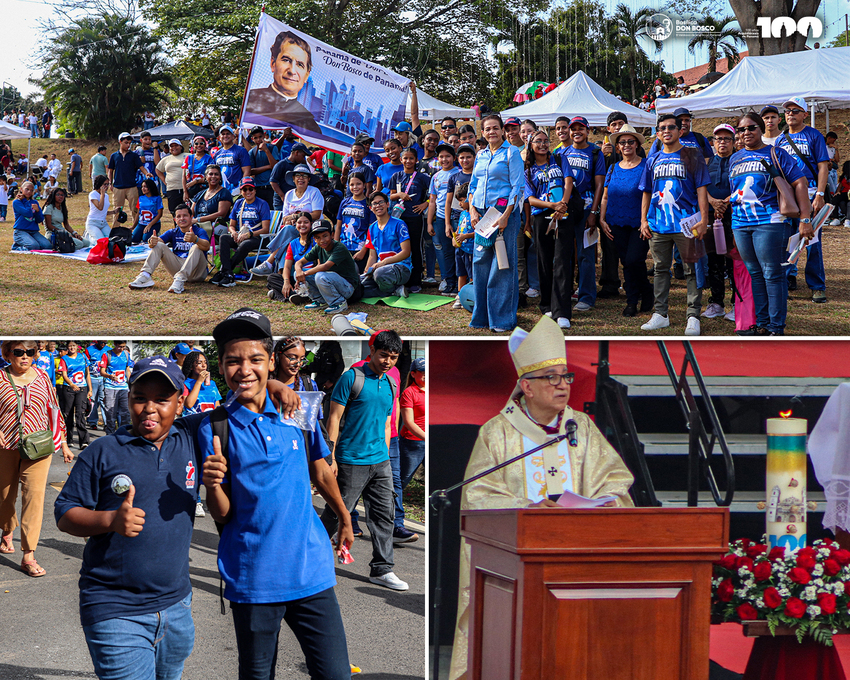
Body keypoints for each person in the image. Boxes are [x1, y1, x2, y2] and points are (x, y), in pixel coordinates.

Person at [447, 316, 635, 680]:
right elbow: (477, 495)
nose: (563, 385)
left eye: (566, 377)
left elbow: (614, 478)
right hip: (517, 565)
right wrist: (527, 510)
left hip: (576, 557)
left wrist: (607, 500)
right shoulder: (497, 432)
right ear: (526, 387)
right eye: (552, 378)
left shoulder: (580, 426)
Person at [200, 308, 352, 680]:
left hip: (310, 570)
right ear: (221, 367)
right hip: (253, 576)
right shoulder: (214, 425)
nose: (245, 369)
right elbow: (221, 513)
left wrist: (345, 517)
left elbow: (320, 469)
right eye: (233, 361)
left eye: (255, 359)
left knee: (336, 674)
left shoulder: (298, 409)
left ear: (271, 361)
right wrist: (212, 483)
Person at [54, 356, 201, 680]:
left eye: (162, 399)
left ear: (180, 403)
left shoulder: (191, 438)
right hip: (115, 610)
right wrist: (110, 521)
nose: (150, 408)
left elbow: (242, 404)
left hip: (177, 607)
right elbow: (65, 513)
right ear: (129, 398)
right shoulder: (103, 451)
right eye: (140, 398)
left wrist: (277, 384)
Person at [320, 329, 409, 589]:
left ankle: (382, 569)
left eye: (393, 357)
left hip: (380, 461)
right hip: (349, 459)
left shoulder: (392, 381)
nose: (388, 361)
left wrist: (386, 455)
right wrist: (331, 456)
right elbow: (334, 418)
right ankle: (309, 553)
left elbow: (386, 422)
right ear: (371, 351)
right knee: (337, 512)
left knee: (384, 516)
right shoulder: (352, 378)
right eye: (383, 355)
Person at [729, 112, 812, 335]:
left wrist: (805, 218)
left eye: (751, 128)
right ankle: (762, 324)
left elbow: (800, 182)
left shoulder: (775, 153)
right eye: (742, 129)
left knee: (772, 274)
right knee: (755, 273)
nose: (746, 132)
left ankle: (776, 327)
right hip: (740, 223)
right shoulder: (735, 158)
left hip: (771, 221)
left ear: (760, 129)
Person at [0, 340, 74, 577]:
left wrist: (62, 443)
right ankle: (7, 529)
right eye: (19, 352)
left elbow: (54, 410)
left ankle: (28, 554)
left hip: (39, 447)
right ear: (7, 354)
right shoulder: (0, 378)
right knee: (5, 497)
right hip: (6, 447)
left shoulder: (43, 377)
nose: (25, 356)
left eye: (30, 352)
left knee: (34, 497)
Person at [639, 113, 710, 336]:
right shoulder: (653, 159)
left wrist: (704, 218)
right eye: (662, 128)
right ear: (658, 134)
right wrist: (643, 220)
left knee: (691, 270)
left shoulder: (693, 155)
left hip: (686, 224)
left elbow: (701, 189)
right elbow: (647, 191)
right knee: (660, 269)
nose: (667, 131)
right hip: (658, 224)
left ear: (680, 130)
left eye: (671, 127)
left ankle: (693, 315)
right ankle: (660, 314)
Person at [468, 114, 524, 333]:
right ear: (482, 133)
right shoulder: (480, 155)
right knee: (480, 262)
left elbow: (517, 186)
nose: (491, 132)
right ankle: (481, 317)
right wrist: (472, 210)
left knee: (502, 265)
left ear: (502, 131)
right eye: (487, 129)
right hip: (482, 215)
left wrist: (506, 215)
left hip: (503, 214)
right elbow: (473, 186)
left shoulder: (512, 153)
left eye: (495, 128)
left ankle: (501, 320)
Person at [776, 96, 830, 303]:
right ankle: (789, 278)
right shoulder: (781, 139)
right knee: (788, 239)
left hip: (810, 194)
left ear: (805, 114)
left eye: (795, 110)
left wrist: (820, 194)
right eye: (788, 110)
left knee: (812, 242)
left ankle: (817, 285)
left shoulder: (814, 135)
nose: (790, 114)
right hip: (788, 198)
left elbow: (823, 166)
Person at [524, 130, 576, 329]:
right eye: (538, 141)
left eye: (546, 141)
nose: (543, 144)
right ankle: (546, 304)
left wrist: (562, 204)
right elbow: (530, 198)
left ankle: (562, 311)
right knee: (544, 262)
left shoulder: (560, 159)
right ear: (531, 145)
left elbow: (568, 182)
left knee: (563, 261)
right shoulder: (527, 170)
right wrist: (552, 206)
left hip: (563, 215)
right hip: (541, 217)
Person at [599, 124, 652, 318]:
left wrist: (645, 219)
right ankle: (633, 299)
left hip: (639, 223)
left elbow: (650, 194)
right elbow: (605, 197)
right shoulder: (612, 168)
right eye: (623, 142)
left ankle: (644, 291)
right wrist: (602, 219)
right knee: (625, 262)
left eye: (631, 141)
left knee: (633, 260)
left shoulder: (646, 166)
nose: (627, 145)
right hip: (615, 222)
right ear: (618, 147)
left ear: (637, 144)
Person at [556, 116, 607, 312]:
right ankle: (566, 291)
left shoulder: (595, 152)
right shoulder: (561, 152)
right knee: (565, 252)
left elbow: (599, 185)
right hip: (566, 208)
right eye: (573, 128)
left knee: (586, 254)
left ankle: (586, 296)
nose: (576, 131)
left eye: (581, 128)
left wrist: (593, 212)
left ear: (587, 131)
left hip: (586, 207)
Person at [244, 30, 322, 133]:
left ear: (307, 74)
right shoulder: (249, 101)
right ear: (273, 63)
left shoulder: (309, 123)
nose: (292, 71)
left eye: (300, 65)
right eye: (286, 60)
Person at [130, 203, 211, 294]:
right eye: (179, 216)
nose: (182, 218)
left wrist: (196, 240)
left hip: (197, 272)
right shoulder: (173, 232)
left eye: (185, 216)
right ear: (175, 220)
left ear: (191, 217)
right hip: (179, 267)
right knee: (159, 245)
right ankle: (145, 275)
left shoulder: (199, 231)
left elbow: (207, 246)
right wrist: (151, 241)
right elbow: (158, 241)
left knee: (197, 247)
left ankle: (180, 279)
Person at [700, 123, 736, 322]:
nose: (723, 142)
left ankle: (736, 303)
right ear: (713, 142)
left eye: (727, 139)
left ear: (733, 141)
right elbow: (700, 187)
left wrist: (727, 201)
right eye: (719, 139)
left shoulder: (739, 160)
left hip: (734, 216)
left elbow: (744, 183)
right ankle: (716, 302)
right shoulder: (707, 163)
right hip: (712, 217)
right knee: (714, 261)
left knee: (734, 261)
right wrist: (713, 201)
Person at [212, 177, 271, 288]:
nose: (248, 192)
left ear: (255, 190)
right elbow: (232, 225)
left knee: (245, 244)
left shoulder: (262, 204)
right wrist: (233, 232)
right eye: (245, 190)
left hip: (258, 238)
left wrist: (250, 234)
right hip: (240, 235)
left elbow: (265, 229)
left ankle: (225, 272)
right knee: (224, 238)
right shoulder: (238, 203)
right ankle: (228, 273)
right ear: (241, 191)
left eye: (251, 189)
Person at [296, 220, 361, 314]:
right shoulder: (318, 248)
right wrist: (299, 272)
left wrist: (304, 274)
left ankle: (339, 303)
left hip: (348, 288)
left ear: (332, 235)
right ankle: (321, 301)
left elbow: (326, 266)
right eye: (318, 237)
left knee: (320, 276)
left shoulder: (339, 247)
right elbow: (299, 262)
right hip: (332, 282)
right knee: (296, 273)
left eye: (325, 236)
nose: (322, 240)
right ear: (314, 239)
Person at [389, 148, 430, 289]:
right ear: (401, 160)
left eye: (411, 158)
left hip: (414, 218)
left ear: (416, 160)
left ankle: (416, 280)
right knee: (399, 248)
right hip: (399, 219)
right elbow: (391, 195)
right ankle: (402, 278)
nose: (408, 161)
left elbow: (434, 194)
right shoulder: (396, 176)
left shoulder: (422, 177)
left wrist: (425, 204)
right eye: (405, 158)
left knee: (415, 248)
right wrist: (399, 194)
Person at [361, 192, 412, 298]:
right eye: (375, 204)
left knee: (380, 274)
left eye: (381, 202)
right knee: (359, 287)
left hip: (401, 267)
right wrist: (367, 271)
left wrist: (383, 263)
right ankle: (393, 291)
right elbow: (372, 256)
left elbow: (406, 252)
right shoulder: (372, 228)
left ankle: (391, 290)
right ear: (371, 208)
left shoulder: (399, 224)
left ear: (388, 204)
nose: (378, 206)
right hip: (378, 269)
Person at [427, 142, 460, 297]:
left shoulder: (459, 173)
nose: (444, 159)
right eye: (441, 156)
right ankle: (450, 281)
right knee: (446, 251)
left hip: (458, 218)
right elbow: (432, 201)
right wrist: (429, 222)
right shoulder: (436, 177)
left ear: (454, 157)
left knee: (458, 251)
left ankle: (461, 282)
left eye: (448, 156)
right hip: (440, 218)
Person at [397, 357, 425, 534]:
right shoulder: (409, 392)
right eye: (423, 373)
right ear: (413, 373)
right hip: (412, 443)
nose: (427, 376)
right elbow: (408, 422)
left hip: (431, 441)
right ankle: (395, 521)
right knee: (400, 482)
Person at [108, 132, 151, 229]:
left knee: (135, 209)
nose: (128, 145)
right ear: (120, 142)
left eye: (130, 143)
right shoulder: (114, 156)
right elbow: (110, 171)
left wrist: (146, 173)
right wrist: (110, 183)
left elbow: (141, 166)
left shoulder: (134, 155)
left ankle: (136, 229)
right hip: (118, 187)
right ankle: (115, 230)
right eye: (126, 142)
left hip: (132, 186)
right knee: (117, 210)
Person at [333, 174, 374, 273]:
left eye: (358, 184)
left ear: (364, 185)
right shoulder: (344, 202)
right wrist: (336, 246)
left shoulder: (369, 204)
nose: (355, 187)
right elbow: (338, 226)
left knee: (358, 279)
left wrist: (363, 251)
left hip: (360, 249)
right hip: (343, 248)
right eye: (352, 184)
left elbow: (371, 230)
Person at [57, 341, 92, 450]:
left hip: (82, 388)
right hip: (69, 388)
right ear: (67, 348)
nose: (72, 348)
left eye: (73, 346)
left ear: (77, 347)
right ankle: (69, 439)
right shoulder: (64, 359)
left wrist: (90, 389)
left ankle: (84, 441)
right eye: (70, 346)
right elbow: (64, 375)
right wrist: (71, 384)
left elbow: (87, 374)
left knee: (80, 414)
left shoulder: (83, 357)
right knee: (68, 414)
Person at [99, 341, 134, 436]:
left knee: (125, 413)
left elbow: (127, 369)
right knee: (110, 413)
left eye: (123, 346)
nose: (121, 349)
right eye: (119, 346)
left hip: (123, 387)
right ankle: (110, 434)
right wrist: (109, 376)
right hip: (110, 387)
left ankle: (124, 434)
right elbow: (102, 372)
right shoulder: (107, 355)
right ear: (115, 344)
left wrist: (130, 383)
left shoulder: (126, 354)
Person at [190, 164, 233, 236]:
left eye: (216, 174)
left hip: (214, 227)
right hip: (197, 224)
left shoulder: (224, 193)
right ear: (206, 177)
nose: (213, 176)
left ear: (220, 177)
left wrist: (199, 219)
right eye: (210, 174)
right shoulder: (200, 194)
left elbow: (221, 214)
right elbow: (191, 213)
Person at [246, 126, 280, 207]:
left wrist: (266, 151)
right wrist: (268, 166)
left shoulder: (272, 148)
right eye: (256, 138)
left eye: (260, 137)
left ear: (264, 136)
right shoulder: (252, 152)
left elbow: (275, 166)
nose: (258, 140)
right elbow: (251, 171)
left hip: (272, 187)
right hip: (258, 187)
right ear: (252, 139)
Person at [269, 141, 310, 210]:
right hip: (281, 203)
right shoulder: (281, 165)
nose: (304, 158)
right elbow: (273, 182)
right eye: (303, 156)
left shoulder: (301, 165)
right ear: (296, 153)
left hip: (296, 201)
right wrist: (283, 196)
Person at [12, 181, 52, 251]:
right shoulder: (17, 202)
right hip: (21, 231)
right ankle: (16, 247)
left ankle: (27, 241)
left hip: (33, 231)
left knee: (47, 246)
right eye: (27, 189)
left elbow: (40, 219)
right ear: (21, 189)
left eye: (31, 190)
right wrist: (25, 200)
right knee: (34, 246)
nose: (29, 192)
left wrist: (37, 211)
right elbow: (28, 213)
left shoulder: (35, 202)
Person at [213, 125, 252, 197]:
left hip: (236, 190)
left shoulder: (241, 150)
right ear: (219, 137)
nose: (225, 136)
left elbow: (247, 171)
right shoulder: (217, 154)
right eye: (223, 134)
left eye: (228, 134)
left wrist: (242, 188)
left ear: (233, 136)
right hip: (221, 191)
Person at [155, 139, 188, 217]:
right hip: (172, 188)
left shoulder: (188, 155)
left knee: (187, 211)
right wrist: (164, 181)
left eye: (176, 145)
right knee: (174, 211)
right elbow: (158, 170)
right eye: (171, 146)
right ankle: (177, 228)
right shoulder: (166, 159)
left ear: (181, 147)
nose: (174, 148)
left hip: (186, 188)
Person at [85, 341, 110, 430]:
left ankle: (107, 423)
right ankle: (92, 421)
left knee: (104, 400)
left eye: (105, 342)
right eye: (101, 342)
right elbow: (86, 365)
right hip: (92, 377)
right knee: (93, 400)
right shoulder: (89, 350)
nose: (103, 344)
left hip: (104, 378)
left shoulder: (109, 350)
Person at [85, 175, 118, 242]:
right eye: (105, 184)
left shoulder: (106, 196)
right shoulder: (93, 194)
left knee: (112, 241)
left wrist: (114, 211)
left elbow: (103, 211)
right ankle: (89, 238)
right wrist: (102, 194)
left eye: (108, 184)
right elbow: (100, 207)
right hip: (93, 222)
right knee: (102, 242)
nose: (106, 186)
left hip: (103, 223)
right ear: (99, 184)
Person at [131, 178, 164, 244]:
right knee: (134, 239)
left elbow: (160, 214)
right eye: (142, 186)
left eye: (145, 187)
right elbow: (138, 213)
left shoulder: (157, 198)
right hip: (142, 223)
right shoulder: (141, 198)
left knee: (146, 239)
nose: (143, 188)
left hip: (154, 224)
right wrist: (133, 226)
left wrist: (149, 225)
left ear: (150, 187)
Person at [182, 136, 213, 202]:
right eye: (196, 143)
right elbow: (183, 176)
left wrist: (196, 181)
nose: (199, 145)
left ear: (205, 145)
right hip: (191, 190)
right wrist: (185, 192)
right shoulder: (188, 158)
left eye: (201, 143)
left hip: (205, 189)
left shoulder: (209, 158)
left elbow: (212, 177)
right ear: (193, 145)